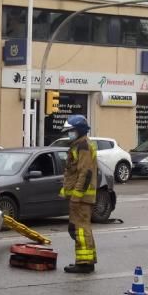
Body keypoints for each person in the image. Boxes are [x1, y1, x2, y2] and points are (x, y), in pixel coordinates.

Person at [59, 114, 97, 273]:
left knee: (81, 229)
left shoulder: (83, 146)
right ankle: (86, 260)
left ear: (79, 130)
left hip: (81, 197)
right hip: (79, 196)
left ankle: (84, 263)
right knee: (79, 228)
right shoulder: (78, 144)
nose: (69, 133)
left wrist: (77, 196)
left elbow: (85, 173)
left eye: (71, 130)